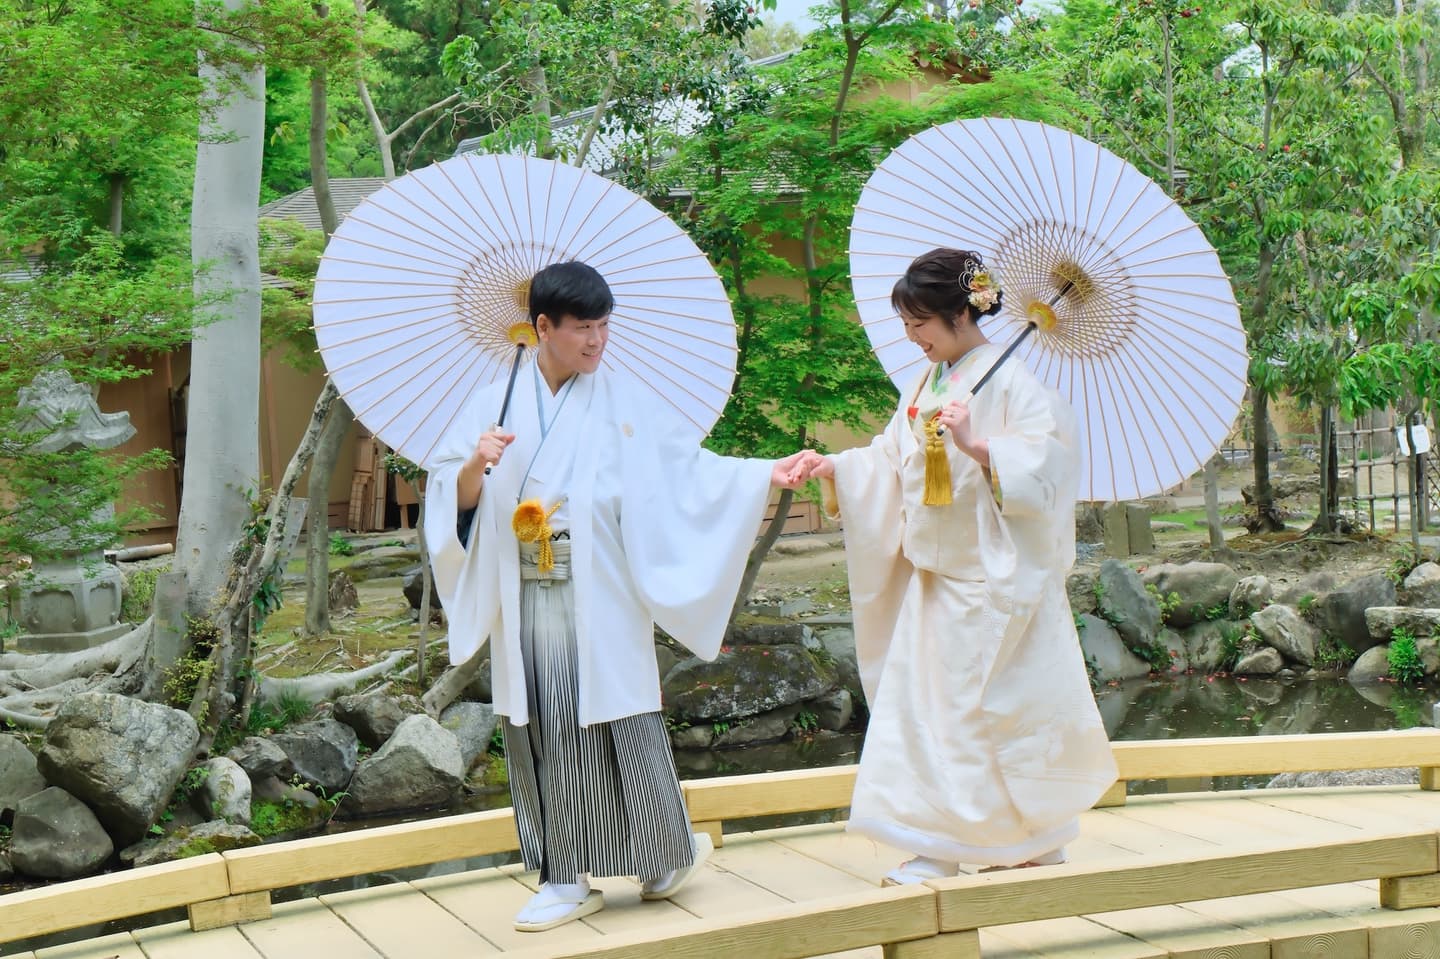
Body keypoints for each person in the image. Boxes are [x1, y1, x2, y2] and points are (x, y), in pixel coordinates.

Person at [425, 260, 811, 931]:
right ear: (542, 326)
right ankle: (565, 876)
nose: (597, 341)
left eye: (604, 326)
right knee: (544, 721)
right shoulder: (491, 403)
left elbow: (686, 470)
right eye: (582, 328)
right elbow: (450, 505)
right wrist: (472, 465)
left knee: (622, 719)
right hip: (526, 590)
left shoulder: (623, 399)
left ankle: (661, 855)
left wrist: (760, 475)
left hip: (599, 584)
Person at [796, 248, 1117, 885]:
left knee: (982, 715)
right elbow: (893, 457)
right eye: (908, 325)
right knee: (934, 716)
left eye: (920, 323)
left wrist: (978, 445)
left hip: (992, 580)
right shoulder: (928, 383)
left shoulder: (1019, 388)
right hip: (935, 576)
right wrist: (839, 468)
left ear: (959, 314)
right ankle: (999, 837)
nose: (911, 337)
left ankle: (976, 841)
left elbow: (1049, 474)